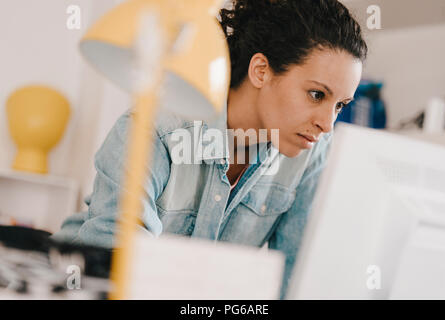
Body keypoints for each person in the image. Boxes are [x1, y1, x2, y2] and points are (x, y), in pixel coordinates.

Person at [52, 0, 367, 298]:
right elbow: (116, 266)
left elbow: (296, 279)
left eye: (340, 105)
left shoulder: (311, 152)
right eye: (316, 95)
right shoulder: (159, 130)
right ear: (261, 71)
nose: (327, 124)